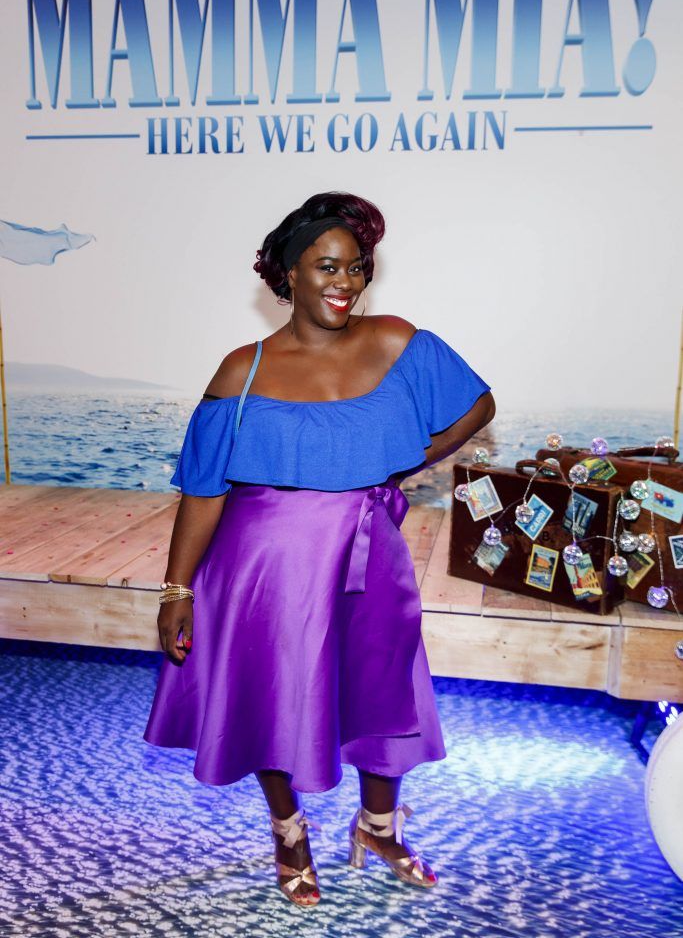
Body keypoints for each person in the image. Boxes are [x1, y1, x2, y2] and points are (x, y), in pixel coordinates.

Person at [144, 191, 496, 908]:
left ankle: (378, 826)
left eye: (356, 268)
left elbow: (476, 405)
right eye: (326, 267)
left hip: (371, 556)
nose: (344, 282)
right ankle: (288, 833)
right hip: (259, 569)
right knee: (269, 701)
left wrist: (400, 462)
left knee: (383, 693)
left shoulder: (397, 340)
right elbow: (205, 491)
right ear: (287, 274)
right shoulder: (240, 371)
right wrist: (177, 589)